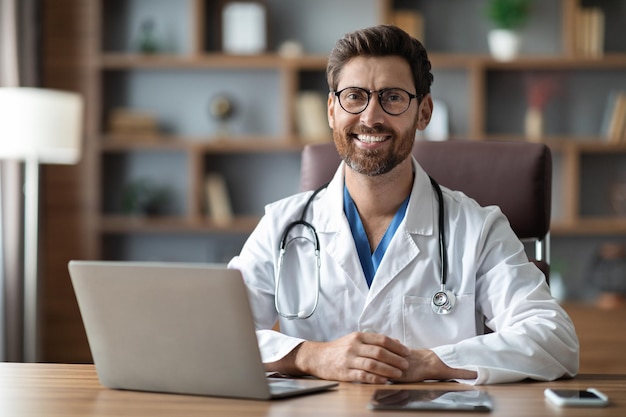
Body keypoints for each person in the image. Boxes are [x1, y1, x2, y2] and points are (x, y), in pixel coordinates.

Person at [228, 24, 579, 385]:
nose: (370, 117)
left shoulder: (478, 229)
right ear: (332, 110)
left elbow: (555, 340)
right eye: (354, 96)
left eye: (392, 97)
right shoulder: (283, 225)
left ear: (423, 112)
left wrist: (430, 362)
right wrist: (310, 356)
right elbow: (217, 333)